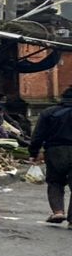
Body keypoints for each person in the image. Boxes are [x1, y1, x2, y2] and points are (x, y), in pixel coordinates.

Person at [29, 86, 72, 225]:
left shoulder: (49, 112)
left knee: (55, 181)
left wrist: (33, 152)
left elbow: (38, 135)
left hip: (55, 151)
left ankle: (58, 212)